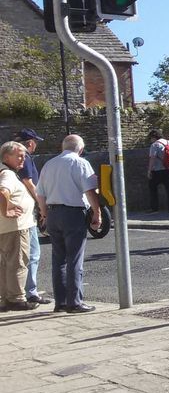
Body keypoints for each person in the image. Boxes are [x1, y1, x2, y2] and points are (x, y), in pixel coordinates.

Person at [35, 134, 101, 314]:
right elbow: (90, 190)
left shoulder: (49, 164)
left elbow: (40, 194)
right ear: (80, 149)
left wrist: (44, 214)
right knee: (74, 258)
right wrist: (97, 212)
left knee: (59, 260)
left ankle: (61, 302)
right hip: (73, 213)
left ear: (62, 147)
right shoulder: (80, 163)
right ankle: (75, 302)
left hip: (53, 213)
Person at [14, 129, 52, 304]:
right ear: (30, 142)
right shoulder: (25, 158)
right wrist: (41, 204)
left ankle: (18, 291)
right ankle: (31, 292)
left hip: (18, 211)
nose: (35, 145)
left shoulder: (10, 160)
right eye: (35, 142)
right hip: (26, 212)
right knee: (33, 253)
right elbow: (28, 182)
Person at [0, 141, 39, 311]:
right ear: (7, 157)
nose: (23, 159)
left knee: (7, 263)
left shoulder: (7, 172)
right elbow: (3, 191)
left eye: (24, 156)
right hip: (15, 227)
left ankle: (7, 298)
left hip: (10, 227)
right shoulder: (7, 174)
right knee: (17, 262)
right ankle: (16, 299)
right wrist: (6, 211)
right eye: (19, 156)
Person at [147, 129, 169, 214]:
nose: (150, 140)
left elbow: (152, 158)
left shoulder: (155, 145)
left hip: (158, 170)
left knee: (152, 188)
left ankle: (154, 208)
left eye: (150, 138)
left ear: (154, 137)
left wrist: (149, 170)